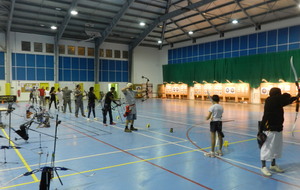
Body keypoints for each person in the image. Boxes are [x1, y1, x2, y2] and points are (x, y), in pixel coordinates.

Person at [259, 87, 297, 176]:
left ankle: (273, 165)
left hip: (278, 128)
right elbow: (284, 100)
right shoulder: (270, 100)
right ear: (276, 94)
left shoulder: (277, 101)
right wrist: (295, 97)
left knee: (276, 147)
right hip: (269, 129)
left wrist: (294, 97)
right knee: (266, 148)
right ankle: (263, 167)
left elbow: (284, 99)